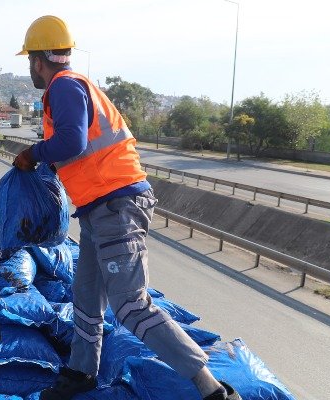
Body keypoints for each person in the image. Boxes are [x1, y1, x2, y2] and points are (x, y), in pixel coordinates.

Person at [13, 16, 241, 400]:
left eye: (30, 62)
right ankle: (81, 372)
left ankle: (212, 388)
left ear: (38, 60)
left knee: (130, 305)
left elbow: (71, 142)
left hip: (117, 206)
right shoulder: (76, 87)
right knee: (86, 297)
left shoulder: (63, 87)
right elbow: (79, 150)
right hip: (98, 208)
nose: (30, 69)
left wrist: (32, 154)